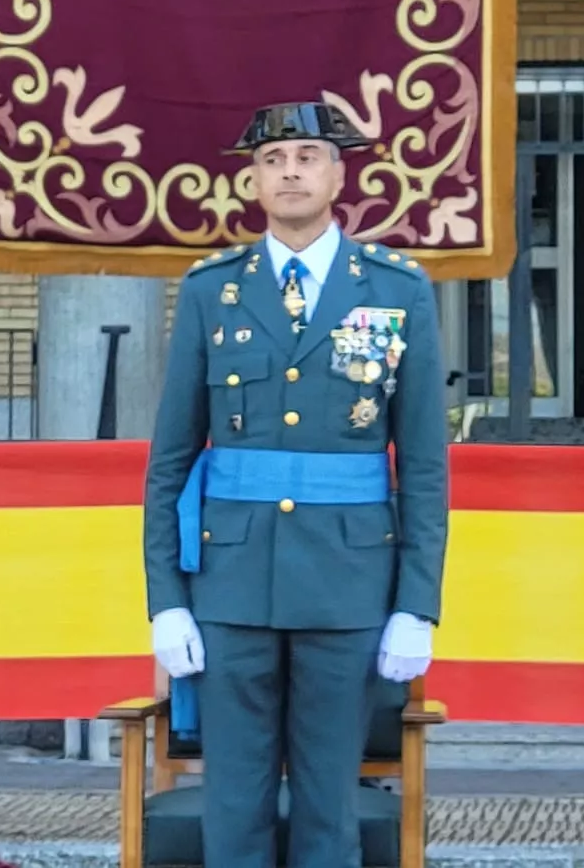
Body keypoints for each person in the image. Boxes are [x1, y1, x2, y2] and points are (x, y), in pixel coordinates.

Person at [141, 101, 449, 867]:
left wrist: (417, 602)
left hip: (348, 581)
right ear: (251, 180)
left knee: (328, 806)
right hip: (232, 581)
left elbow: (421, 463)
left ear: (339, 175)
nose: (290, 173)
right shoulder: (215, 289)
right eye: (273, 161)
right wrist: (167, 598)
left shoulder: (395, 288)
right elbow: (171, 457)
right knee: (234, 804)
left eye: (308, 157)